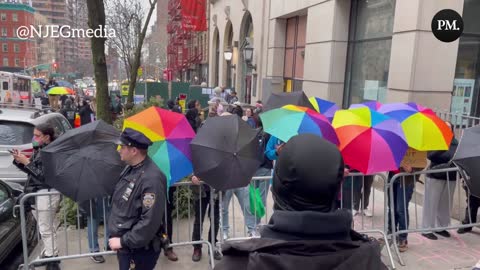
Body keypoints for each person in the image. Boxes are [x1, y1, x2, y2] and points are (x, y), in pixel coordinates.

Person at [214, 134, 387, 270]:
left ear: (276, 190)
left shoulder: (236, 265)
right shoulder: (372, 262)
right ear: (337, 187)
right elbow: (268, 152)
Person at [108, 128, 167, 270]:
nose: (119, 150)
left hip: (139, 249)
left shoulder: (151, 179)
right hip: (128, 246)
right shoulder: (131, 168)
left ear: (134, 151)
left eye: (122, 147)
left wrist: (123, 241)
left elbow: (149, 220)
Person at [12, 123, 61, 270]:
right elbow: (33, 171)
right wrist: (20, 161)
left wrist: (26, 162)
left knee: (45, 227)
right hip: (38, 193)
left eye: (37, 135)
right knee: (46, 227)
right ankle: (51, 253)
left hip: (46, 193)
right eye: (34, 135)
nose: (34, 138)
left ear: (47, 136)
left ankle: (52, 259)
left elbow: (43, 176)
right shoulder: (40, 149)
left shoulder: (52, 152)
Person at [422, 121, 458, 240]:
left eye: (449, 128)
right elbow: (430, 156)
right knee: (431, 202)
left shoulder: (456, 143)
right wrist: (443, 147)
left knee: (445, 204)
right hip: (435, 175)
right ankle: (426, 228)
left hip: (450, 176)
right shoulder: (435, 140)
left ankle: (441, 227)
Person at [386, 164, 423, 252]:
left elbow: (421, 161)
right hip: (392, 176)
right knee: (392, 207)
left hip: (406, 179)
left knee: (401, 209)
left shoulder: (416, 150)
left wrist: (412, 169)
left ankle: (402, 238)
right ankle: (391, 233)